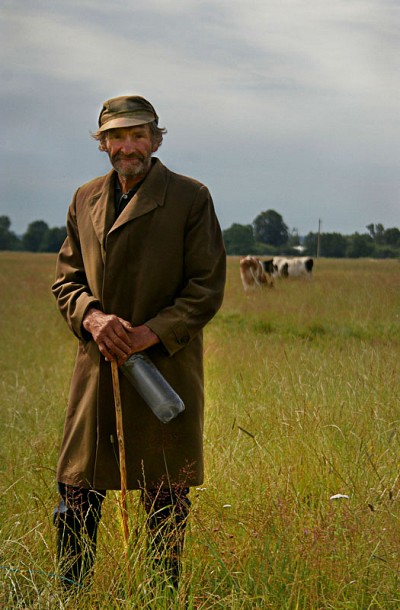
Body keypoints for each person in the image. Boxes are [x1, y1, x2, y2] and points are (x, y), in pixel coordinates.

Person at [52, 95, 226, 590]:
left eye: (137, 135)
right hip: (98, 369)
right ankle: (71, 595)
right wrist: (93, 318)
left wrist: (149, 334)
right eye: (116, 136)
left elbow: (206, 287)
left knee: (165, 494)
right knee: (77, 489)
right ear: (103, 142)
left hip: (163, 370)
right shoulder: (84, 198)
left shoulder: (191, 197)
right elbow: (66, 280)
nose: (127, 146)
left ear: (155, 139)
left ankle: (161, 595)